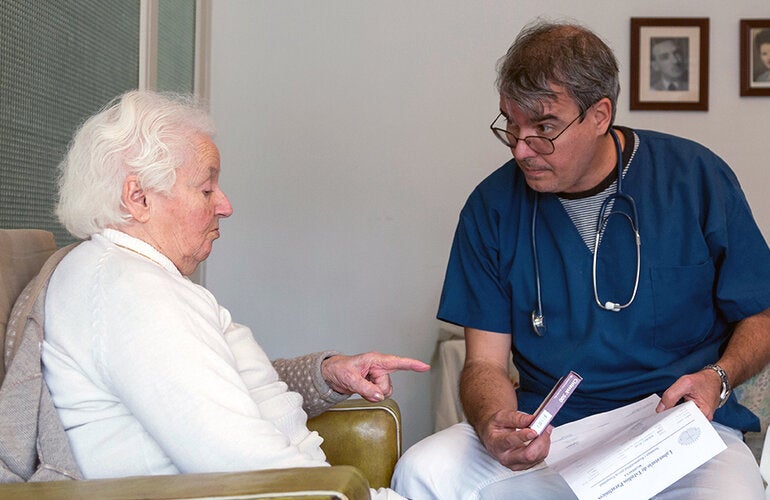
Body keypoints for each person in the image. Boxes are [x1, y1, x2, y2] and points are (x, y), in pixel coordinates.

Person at [391, 20, 770, 499]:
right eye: (512, 125)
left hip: (679, 428)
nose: (523, 149)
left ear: (599, 114)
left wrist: (717, 377)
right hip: (554, 434)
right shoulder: (491, 207)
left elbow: (761, 311)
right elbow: (484, 363)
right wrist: (495, 425)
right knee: (423, 470)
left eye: (544, 127)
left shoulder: (694, 179)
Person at [42, 90, 428, 499]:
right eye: (206, 189)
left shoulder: (131, 276)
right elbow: (246, 467)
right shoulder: (132, 293)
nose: (224, 205)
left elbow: (219, 389)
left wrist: (325, 373)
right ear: (138, 198)